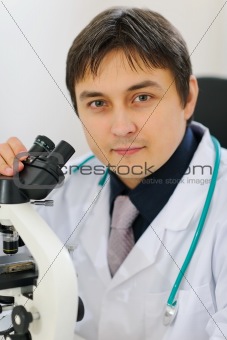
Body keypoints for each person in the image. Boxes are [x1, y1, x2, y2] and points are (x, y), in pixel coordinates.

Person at [0, 6, 227, 340]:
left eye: (141, 97)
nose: (122, 127)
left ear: (188, 97)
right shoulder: (58, 191)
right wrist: (9, 205)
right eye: (98, 104)